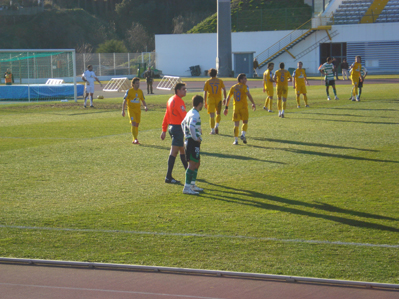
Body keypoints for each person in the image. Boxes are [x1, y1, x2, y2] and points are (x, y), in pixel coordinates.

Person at [160, 83, 189, 184]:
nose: (185, 90)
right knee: (174, 152)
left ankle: (188, 172)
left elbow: (166, 115)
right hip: (177, 128)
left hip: (172, 128)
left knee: (182, 150)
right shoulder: (178, 101)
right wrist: (191, 127)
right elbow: (184, 117)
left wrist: (164, 130)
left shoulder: (170, 99)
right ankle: (168, 177)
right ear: (178, 90)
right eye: (183, 89)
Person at [223, 73, 256, 145]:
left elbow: (228, 98)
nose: (246, 80)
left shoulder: (233, 87)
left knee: (236, 124)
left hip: (236, 108)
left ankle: (235, 140)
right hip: (243, 107)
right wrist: (253, 103)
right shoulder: (245, 87)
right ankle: (243, 135)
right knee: (245, 122)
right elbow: (248, 95)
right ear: (241, 80)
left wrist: (226, 107)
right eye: (245, 78)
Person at [181, 95, 204, 195]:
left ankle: (192, 185)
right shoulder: (195, 114)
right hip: (192, 142)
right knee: (192, 164)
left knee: (197, 162)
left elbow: (182, 123)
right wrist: (194, 137)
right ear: (200, 103)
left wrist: (187, 134)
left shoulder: (190, 112)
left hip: (191, 140)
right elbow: (190, 126)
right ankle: (187, 187)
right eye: (202, 103)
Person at [121, 77, 148, 144]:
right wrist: (123, 110)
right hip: (131, 110)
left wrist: (145, 106)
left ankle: (134, 139)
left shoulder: (140, 91)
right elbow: (124, 100)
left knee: (137, 125)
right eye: (136, 83)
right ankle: (135, 139)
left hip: (138, 110)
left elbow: (142, 100)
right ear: (133, 84)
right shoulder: (129, 91)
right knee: (133, 123)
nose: (138, 84)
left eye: (138, 83)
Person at [203, 68, 226, 135]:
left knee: (212, 115)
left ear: (209, 74)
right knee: (218, 113)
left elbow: (205, 92)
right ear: (216, 73)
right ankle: (216, 125)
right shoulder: (220, 81)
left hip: (211, 99)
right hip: (218, 99)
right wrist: (224, 98)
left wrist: (205, 101)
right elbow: (224, 89)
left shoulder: (207, 82)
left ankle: (212, 130)